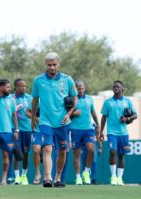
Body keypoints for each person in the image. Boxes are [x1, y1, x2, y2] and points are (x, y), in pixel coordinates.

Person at [31, 52, 78, 188]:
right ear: (45, 64)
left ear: (58, 63)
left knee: (62, 150)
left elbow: (75, 98)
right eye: (49, 65)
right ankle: (47, 178)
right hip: (45, 121)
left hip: (63, 122)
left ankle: (57, 177)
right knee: (47, 149)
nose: (52, 67)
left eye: (54, 64)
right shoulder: (38, 80)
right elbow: (35, 100)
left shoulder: (68, 79)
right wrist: (33, 118)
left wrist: (69, 113)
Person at [100, 80, 137, 186]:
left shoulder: (127, 101)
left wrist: (127, 118)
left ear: (122, 89)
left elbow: (135, 115)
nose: (115, 88)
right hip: (112, 132)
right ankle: (113, 176)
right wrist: (101, 131)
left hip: (123, 133)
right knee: (112, 151)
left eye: (117, 87)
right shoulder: (108, 102)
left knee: (121, 156)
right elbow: (103, 117)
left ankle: (120, 178)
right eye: (114, 87)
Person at [70, 80, 100, 185]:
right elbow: (66, 115)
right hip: (75, 129)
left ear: (84, 88)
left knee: (91, 150)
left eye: (82, 88)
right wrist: (74, 113)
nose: (81, 90)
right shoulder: (71, 99)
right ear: (75, 89)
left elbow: (94, 113)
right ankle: (78, 176)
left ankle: (86, 172)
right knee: (77, 154)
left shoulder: (89, 99)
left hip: (88, 129)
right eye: (79, 88)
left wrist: (98, 125)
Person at [11, 79, 32, 185]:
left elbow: (34, 112)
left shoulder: (30, 98)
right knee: (16, 152)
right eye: (21, 86)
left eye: (25, 86)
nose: (23, 88)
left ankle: (24, 175)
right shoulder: (11, 98)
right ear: (15, 87)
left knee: (26, 153)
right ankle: (17, 177)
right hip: (16, 129)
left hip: (28, 129)